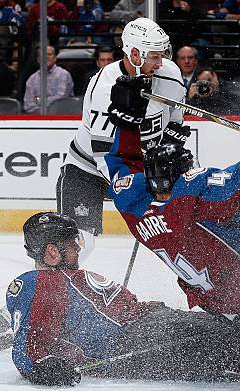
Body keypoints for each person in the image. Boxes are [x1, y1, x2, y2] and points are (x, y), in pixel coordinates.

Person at [104, 77, 240, 330]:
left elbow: (122, 161)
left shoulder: (132, 203)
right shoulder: (193, 199)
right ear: (181, 175)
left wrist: (127, 122)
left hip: (215, 301)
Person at [6, 212, 240, 386]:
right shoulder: (36, 283)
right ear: (52, 253)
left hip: (149, 326)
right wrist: (40, 368)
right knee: (235, 340)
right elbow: (28, 346)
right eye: (72, 245)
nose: (78, 251)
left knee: (233, 329)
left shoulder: (61, 280)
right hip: (134, 341)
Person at [56, 17, 186, 261]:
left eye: (162, 54)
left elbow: (175, 123)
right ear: (135, 54)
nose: (161, 63)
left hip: (142, 168)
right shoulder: (104, 88)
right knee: (79, 245)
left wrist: (170, 151)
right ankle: (50, 295)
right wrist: (144, 185)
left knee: (184, 221)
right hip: (88, 170)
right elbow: (105, 155)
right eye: (154, 56)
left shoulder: (170, 74)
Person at [23, 44, 74, 113]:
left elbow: (61, 99)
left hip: (61, 117)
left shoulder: (63, 74)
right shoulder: (32, 79)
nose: (46, 57)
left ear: (55, 58)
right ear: (38, 59)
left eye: (49, 54)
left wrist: (38, 100)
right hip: (37, 119)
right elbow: (28, 105)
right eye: (43, 55)